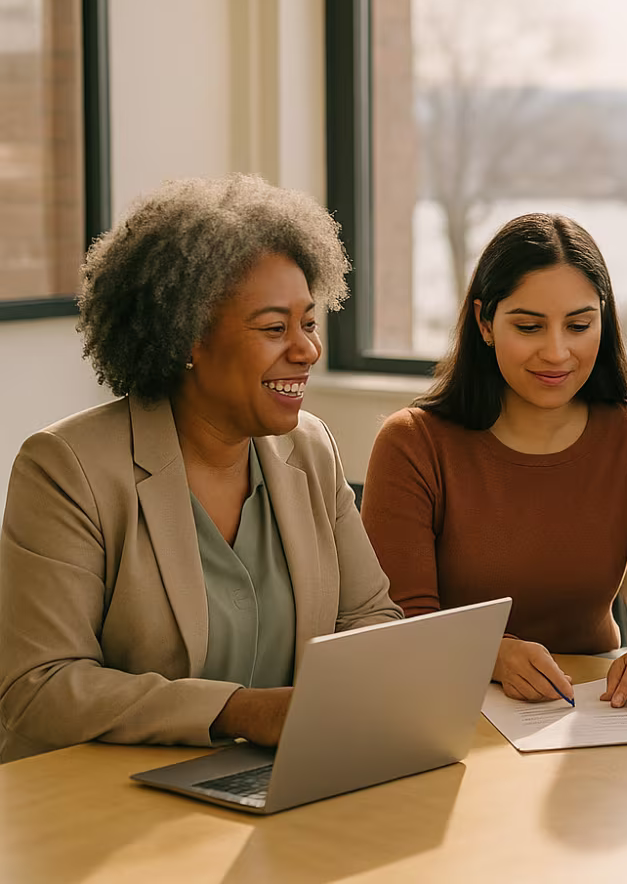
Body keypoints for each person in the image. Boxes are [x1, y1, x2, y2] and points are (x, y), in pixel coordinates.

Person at [0, 174, 403, 762]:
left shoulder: (310, 449)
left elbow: (367, 616)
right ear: (187, 337)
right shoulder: (67, 468)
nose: (307, 350)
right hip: (109, 809)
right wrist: (241, 711)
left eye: (309, 323)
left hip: (278, 782)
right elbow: (39, 688)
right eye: (274, 329)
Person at [361, 213, 627, 712]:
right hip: (450, 707)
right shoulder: (413, 444)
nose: (557, 352)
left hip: (594, 712)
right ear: (485, 322)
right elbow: (401, 620)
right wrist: (493, 655)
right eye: (528, 326)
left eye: (579, 325)